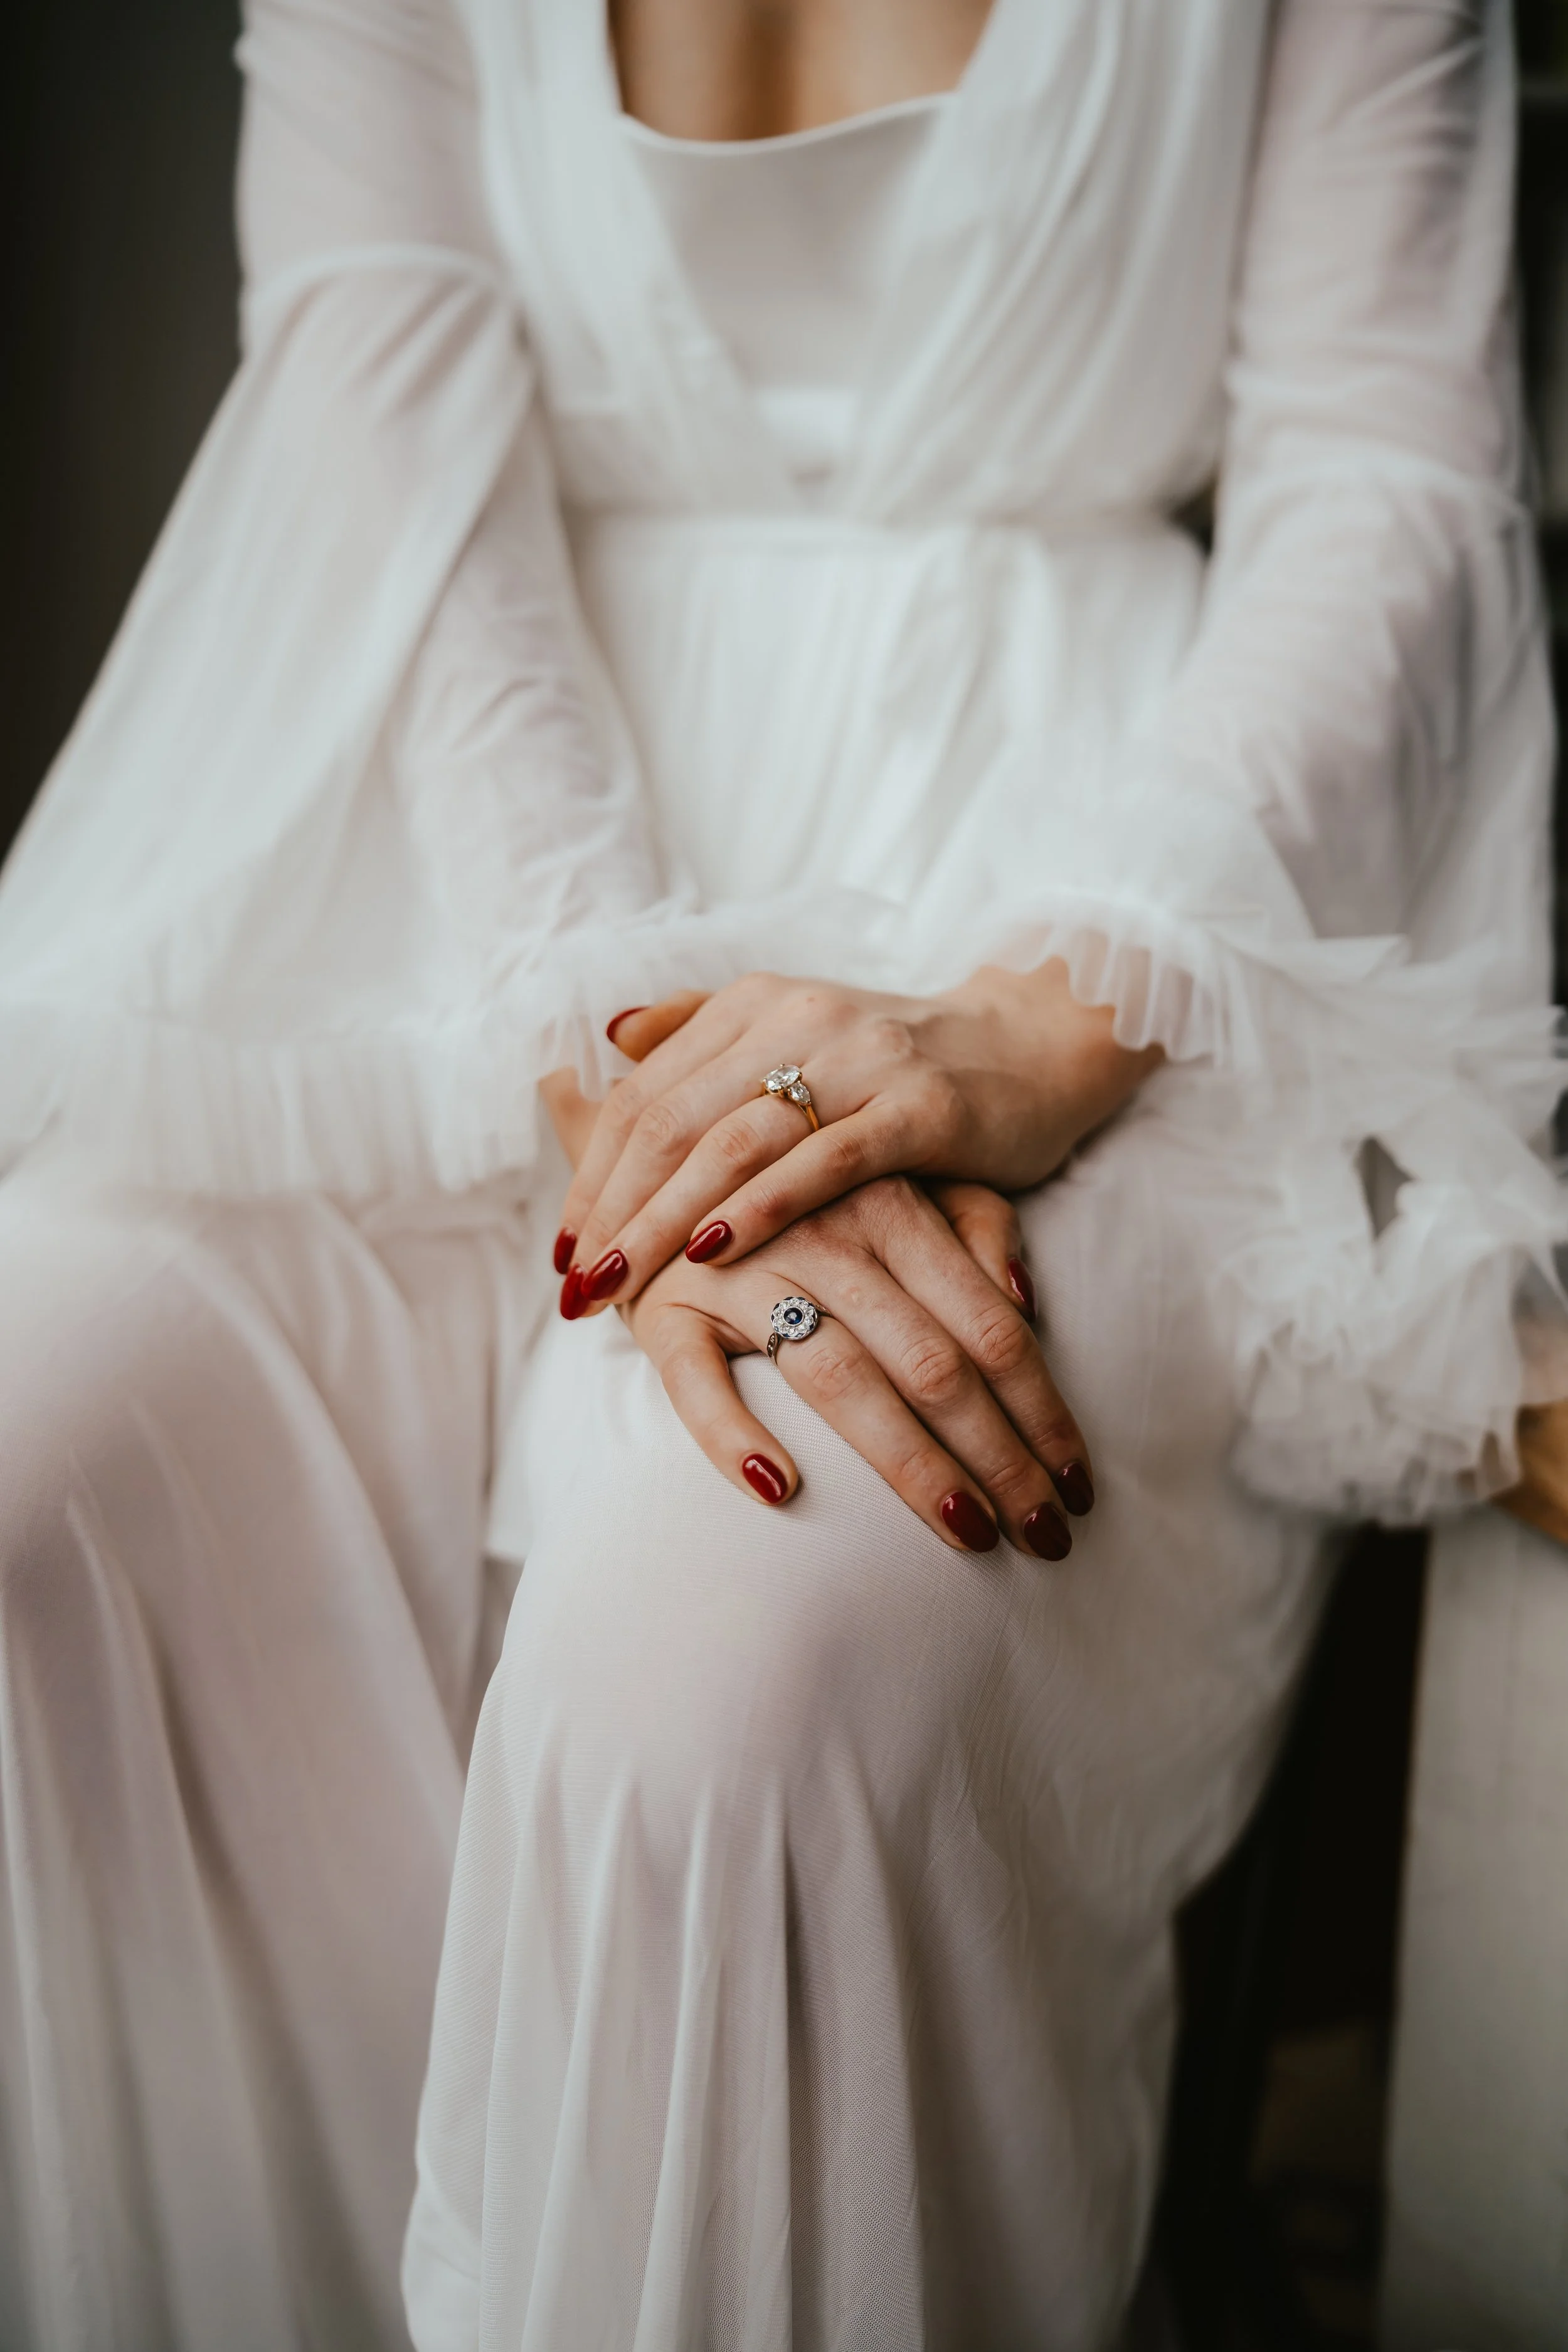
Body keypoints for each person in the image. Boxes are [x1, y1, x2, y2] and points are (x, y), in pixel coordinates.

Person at [0, 0, 1562, 2344]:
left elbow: (1386, 469)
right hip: (455, 907)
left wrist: (1027, 1026)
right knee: (27, 1473)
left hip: (1097, 889)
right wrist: (636, 1074)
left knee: (729, 1683)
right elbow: (378, 417)